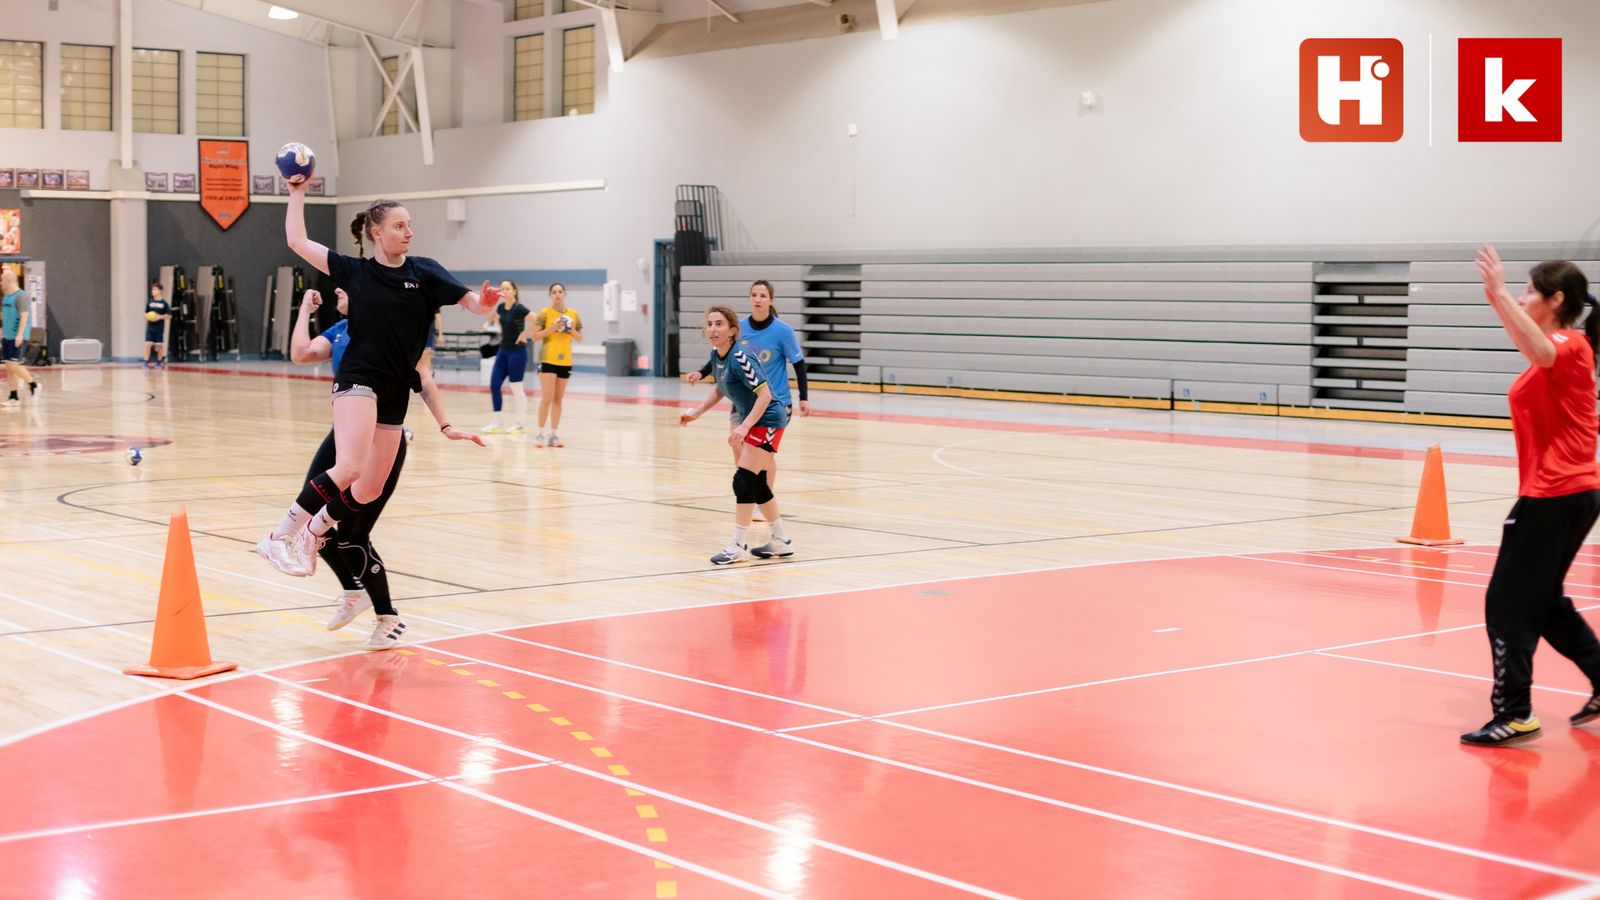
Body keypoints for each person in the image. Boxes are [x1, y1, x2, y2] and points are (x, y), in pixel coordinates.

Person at [257, 178, 498, 621]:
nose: (408, 232)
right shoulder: (354, 271)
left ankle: (314, 530)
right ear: (376, 232)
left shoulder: (424, 272)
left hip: (394, 389)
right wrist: (296, 193)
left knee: (367, 490)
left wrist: (486, 303)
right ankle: (279, 534)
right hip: (358, 379)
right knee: (348, 465)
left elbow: (474, 306)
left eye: (410, 225)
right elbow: (295, 239)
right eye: (400, 225)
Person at [288, 286, 483, 649]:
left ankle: (388, 617)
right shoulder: (341, 330)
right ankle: (353, 591)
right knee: (314, 515)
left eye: (345, 288)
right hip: (343, 436)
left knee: (352, 534)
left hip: (383, 440)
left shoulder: (390, 330)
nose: (337, 292)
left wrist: (446, 425)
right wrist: (302, 309)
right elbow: (300, 353)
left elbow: (423, 377)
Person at [1461, 246, 1600, 747]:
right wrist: (1497, 301)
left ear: (1556, 299)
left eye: (1528, 292)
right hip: (1570, 492)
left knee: (1507, 605)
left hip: (1555, 495)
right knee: (1543, 604)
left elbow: (1540, 350)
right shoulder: (1558, 346)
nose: (1522, 298)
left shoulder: (1570, 344)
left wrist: (1499, 294)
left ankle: (1515, 713)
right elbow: (1532, 347)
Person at [679, 305, 795, 565]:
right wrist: (697, 413)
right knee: (756, 483)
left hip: (769, 418)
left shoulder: (742, 356)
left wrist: (743, 427)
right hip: (754, 418)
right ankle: (781, 541)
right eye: (709, 324)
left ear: (732, 330)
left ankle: (738, 544)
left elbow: (765, 395)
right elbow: (721, 389)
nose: (712, 329)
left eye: (719, 324)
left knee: (743, 480)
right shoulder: (717, 354)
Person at [690, 279, 809, 529]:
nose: (757, 299)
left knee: (758, 464)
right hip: (743, 402)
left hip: (772, 403)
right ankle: (762, 517)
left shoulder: (781, 331)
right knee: (742, 462)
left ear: (771, 300)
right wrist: (700, 382)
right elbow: (719, 369)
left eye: (763, 295)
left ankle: (759, 511)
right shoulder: (736, 333)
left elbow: (797, 365)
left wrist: (804, 397)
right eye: (753, 295)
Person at [530, 283, 582, 447]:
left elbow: (579, 337)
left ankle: (554, 435)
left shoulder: (573, 314)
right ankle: (540, 434)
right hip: (548, 359)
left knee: (558, 399)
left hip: (565, 360)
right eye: (554, 292)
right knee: (547, 398)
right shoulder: (545, 313)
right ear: (550, 295)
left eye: (560, 292)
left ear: (565, 294)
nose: (557, 294)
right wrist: (552, 328)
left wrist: (571, 330)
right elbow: (535, 336)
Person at [483, 280, 533, 434]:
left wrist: (525, 333)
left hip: (517, 352)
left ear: (514, 291)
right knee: (494, 385)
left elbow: (538, 320)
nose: (504, 290)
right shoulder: (500, 308)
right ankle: (497, 422)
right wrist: (488, 301)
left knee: (516, 387)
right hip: (503, 351)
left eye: (507, 288)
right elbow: (492, 320)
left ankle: (520, 423)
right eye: (502, 288)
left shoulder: (519, 308)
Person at [0, 269, 38, 407]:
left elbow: (24, 316)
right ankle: (13, 396)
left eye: (2, 280)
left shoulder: (20, 296)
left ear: (9, 281)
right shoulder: (6, 297)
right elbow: (6, 317)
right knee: (9, 367)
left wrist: (20, 334)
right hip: (7, 337)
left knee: (14, 366)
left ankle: (33, 385)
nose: (1, 283)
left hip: (18, 336)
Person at [143, 281, 172, 369]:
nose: (153, 291)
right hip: (150, 328)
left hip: (159, 328)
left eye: (155, 289)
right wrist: (148, 317)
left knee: (159, 345)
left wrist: (159, 317)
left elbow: (169, 315)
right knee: (147, 344)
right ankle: (146, 362)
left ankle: (159, 362)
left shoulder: (164, 303)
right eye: (152, 290)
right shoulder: (150, 302)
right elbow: (145, 313)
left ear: (160, 291)